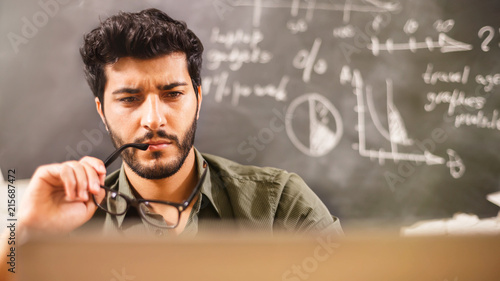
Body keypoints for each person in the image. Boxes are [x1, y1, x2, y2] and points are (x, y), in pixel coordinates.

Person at [9, 8, 342, 246]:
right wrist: (26, 236)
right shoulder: (68, 225)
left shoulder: (279, 206)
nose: (153, 119)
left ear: (198, 98)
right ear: (101, 111)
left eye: (172, 94)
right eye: (129, 99)